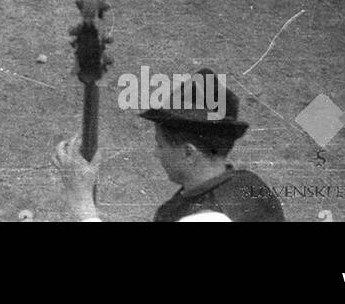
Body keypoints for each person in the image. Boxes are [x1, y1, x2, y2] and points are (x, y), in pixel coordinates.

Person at [53, 68, 285, 221]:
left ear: (188, 153)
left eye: (161, 144)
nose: (156, 153)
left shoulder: (207, 217)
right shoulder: (249, 183)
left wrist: (82, 201)